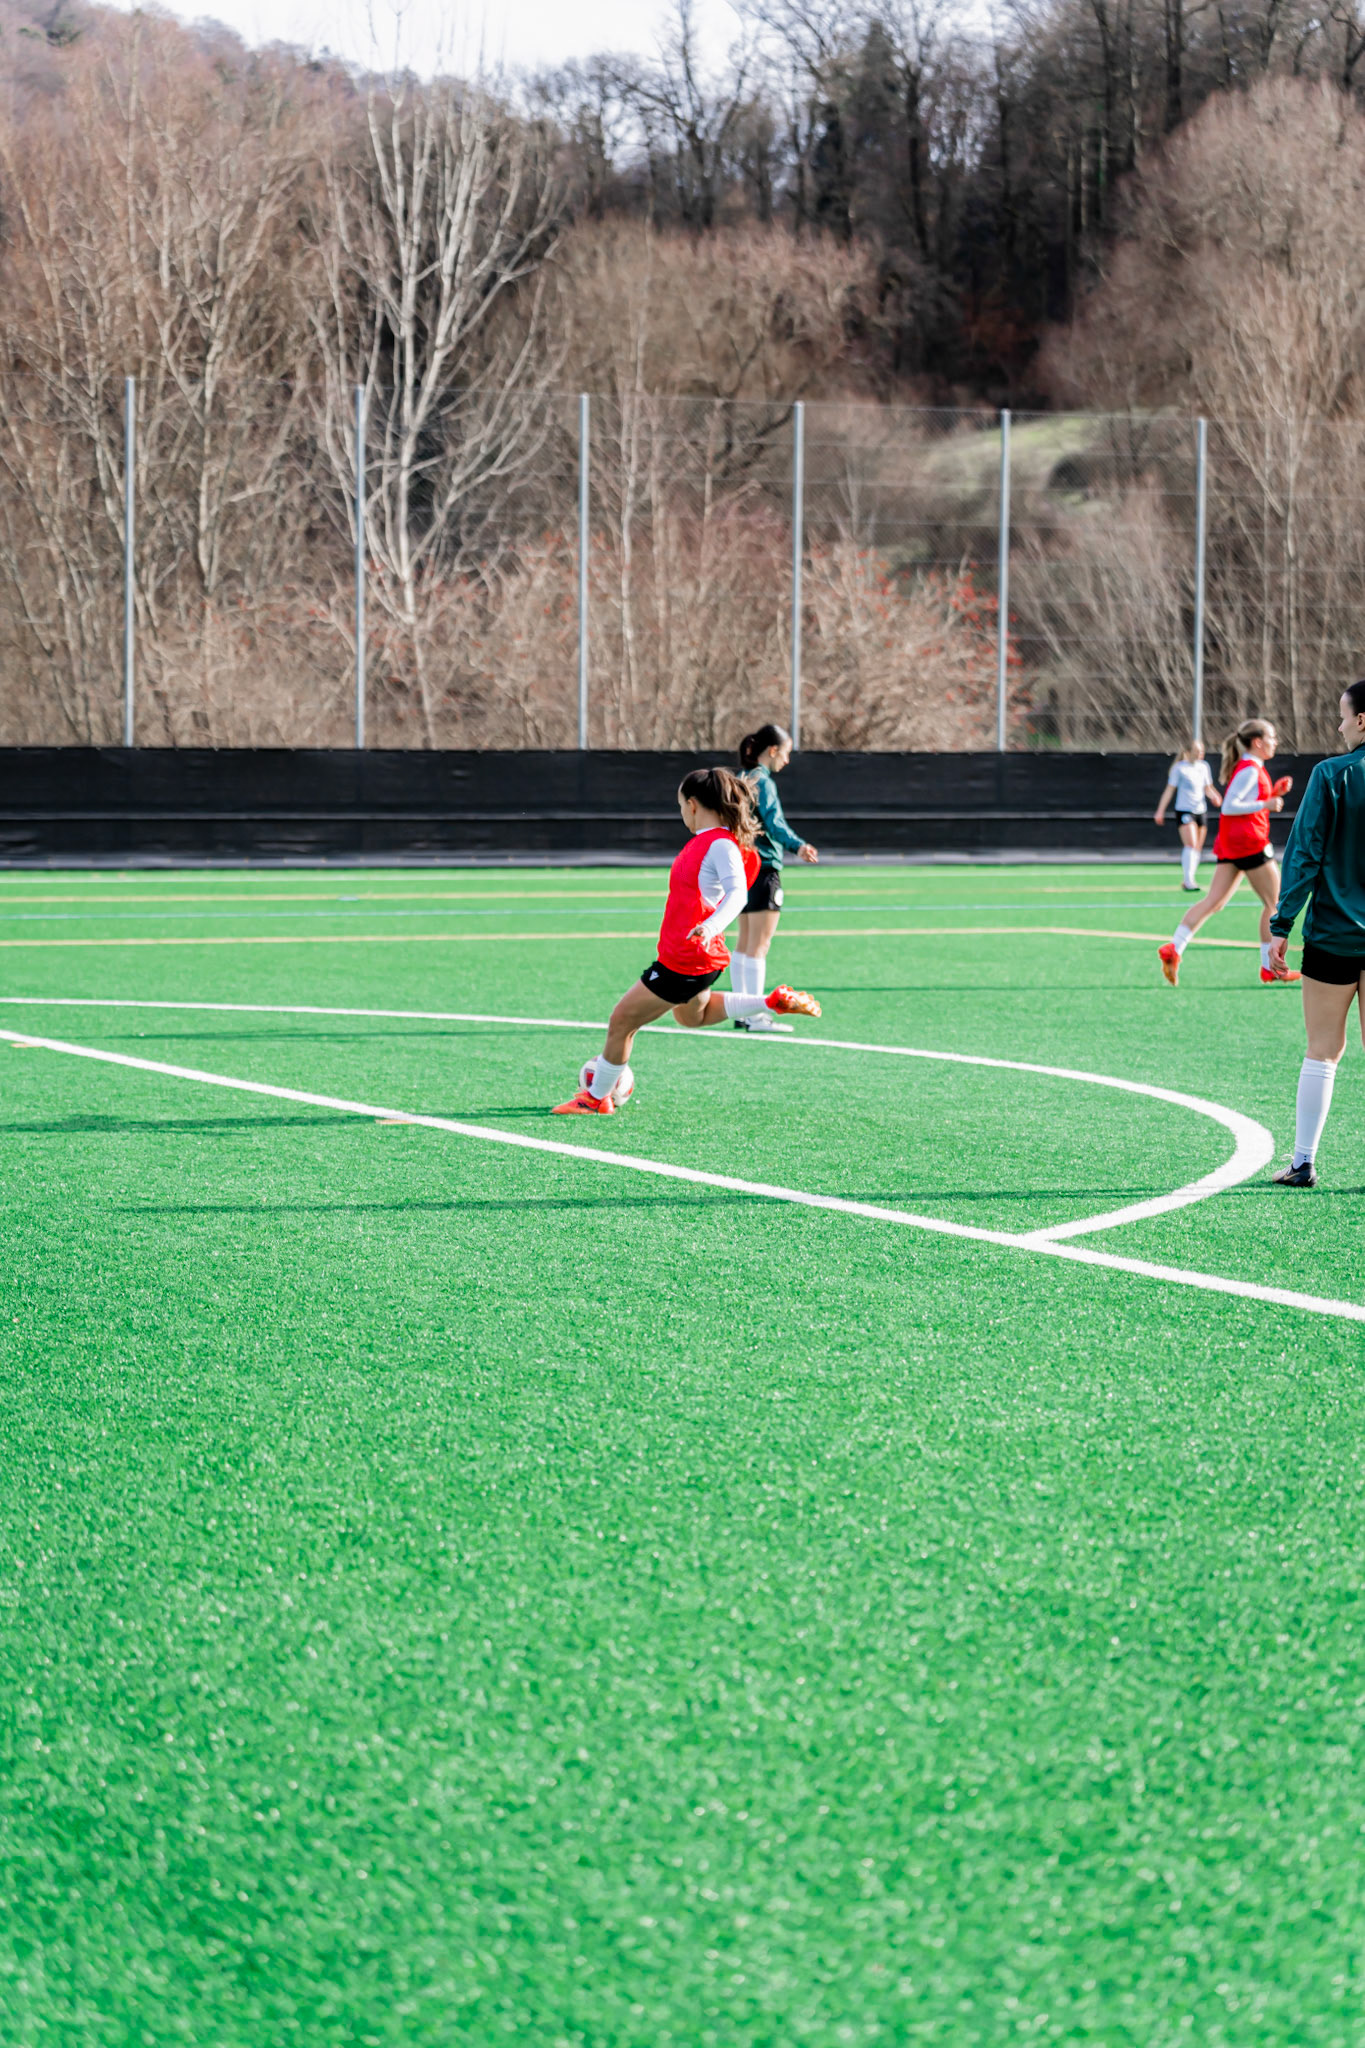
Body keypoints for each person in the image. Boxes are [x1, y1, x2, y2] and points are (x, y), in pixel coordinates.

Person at [552, 766, 821, 1115]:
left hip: (686, 959)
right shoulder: (710, 843)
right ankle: (770, 1002)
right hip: (698, 961)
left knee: (622, 1022)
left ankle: (594, 1099)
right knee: (692, 1017)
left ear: (692, 804)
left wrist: (710, 926)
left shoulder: (720, 844)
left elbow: (738, 895)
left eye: (680, 806)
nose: (681, 814)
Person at [1264, 682, 1365, 1186]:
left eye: (1344, 716)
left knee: (1323, 1049)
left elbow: (1303, 855)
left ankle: (1303, 1162)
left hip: (1334, 936)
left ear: (1363, 720)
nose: (1339, 725)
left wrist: (1281, 926)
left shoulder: (1332, 775)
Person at [1157, 717, 1298, 986]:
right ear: (1258, 742)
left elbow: (1243, 800)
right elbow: (1230, 806)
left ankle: (1174, 948)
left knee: (1214, 902)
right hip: (1249, 842)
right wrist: (1266, 802)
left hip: (1234, 843)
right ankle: (1271, 968)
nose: (1275, 742)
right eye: (1272, 737)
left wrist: (1272, 793)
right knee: (1275, 904)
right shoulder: (1249, 769)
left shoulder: (1250, 768)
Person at [730, 723, 819, 1033]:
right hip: (765, 866)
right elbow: (775, 823)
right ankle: (755, 1015)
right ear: (772, 751)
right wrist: (799, 845)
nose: (787, 760)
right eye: (786, 753)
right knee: (759, 945)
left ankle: (742, 1011)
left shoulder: (742, 778)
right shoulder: (763, 782)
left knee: (743, 944)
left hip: (743, 868)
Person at [1154, 741, 1221, 890]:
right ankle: (1188, 880)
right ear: (1188, 751)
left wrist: (1215, 796)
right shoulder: (1179, 768)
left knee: (1197, 846)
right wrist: (1160, 810)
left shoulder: (1204, 767)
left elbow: (1208, 788)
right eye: (1197, 751)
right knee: (1190, 844)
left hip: (1200, 810)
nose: (1200, 754)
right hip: (1184, 810)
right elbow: (1169, 790)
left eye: (1202, 751)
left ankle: (1190, 877)